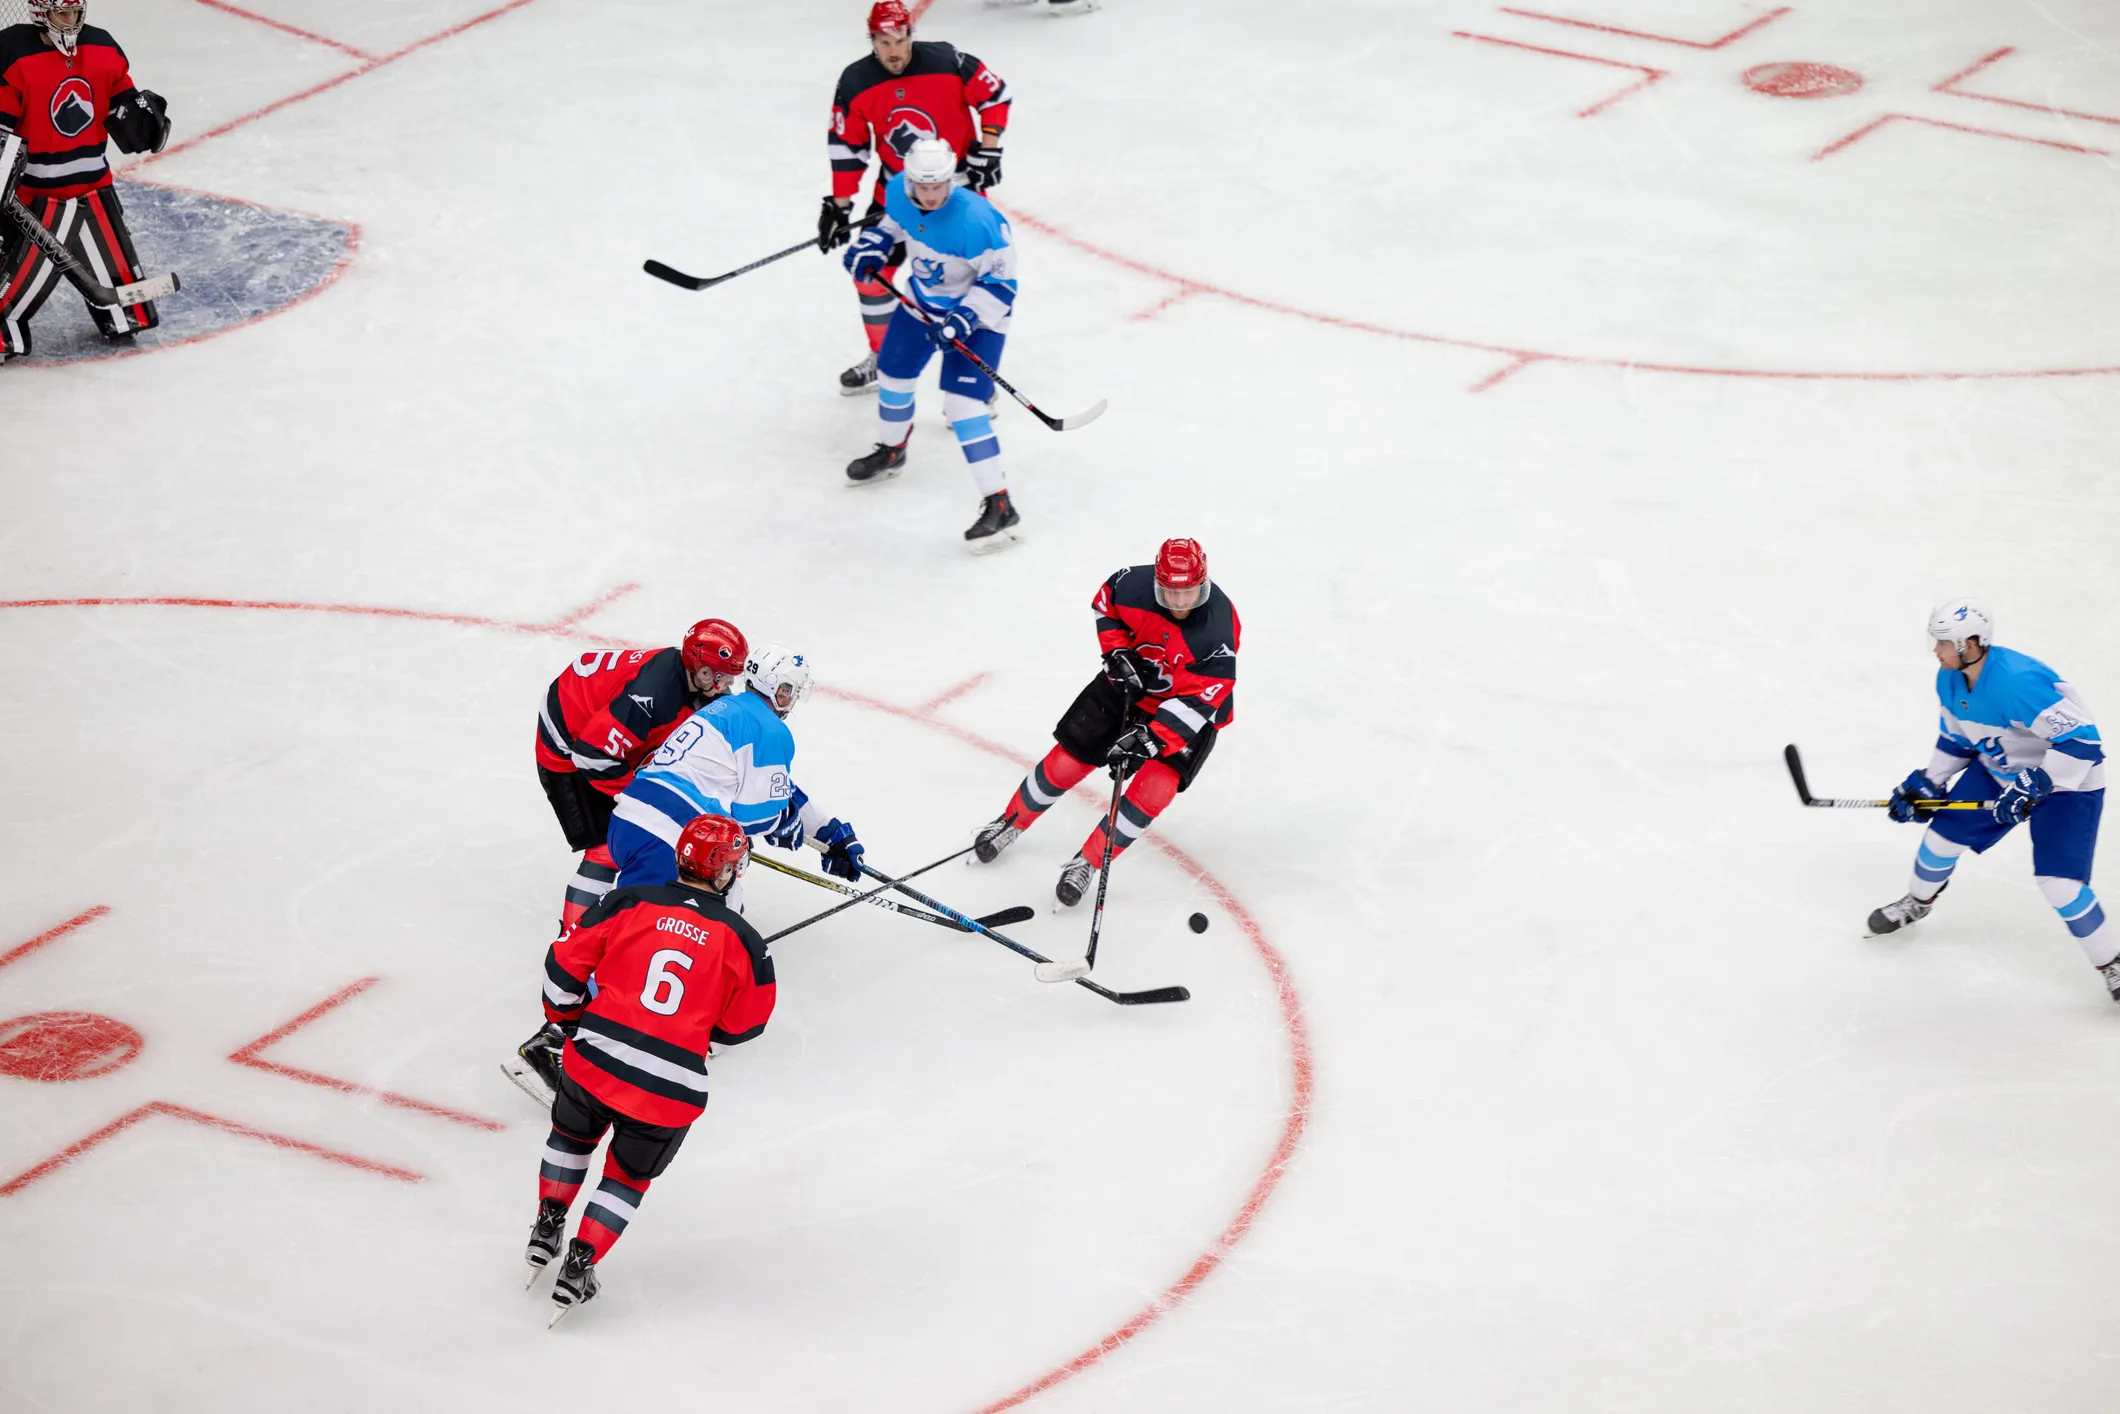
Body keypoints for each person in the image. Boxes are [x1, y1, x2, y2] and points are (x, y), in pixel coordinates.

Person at [522, 813, 775, 1323]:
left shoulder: (626, 901)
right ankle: (580, 1263)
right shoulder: (745, 939)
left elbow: (562, 966)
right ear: (723, 871)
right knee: (627, 1178)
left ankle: (547, 1224)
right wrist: (699, 1035)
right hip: (668, 1089)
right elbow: (744, 1026)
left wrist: (570, 1022)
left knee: (571, 1141)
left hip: (593, 1062)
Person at [1869, 598, 2116, 999]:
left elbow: (2084, 741)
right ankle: (1918, 901)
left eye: (1944, 642)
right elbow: (1957, 739)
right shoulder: (1948, 680)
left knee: (2060, 884)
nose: (1936, 650)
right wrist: (1929, 784)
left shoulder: (2018, 682)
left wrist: (2038, 782)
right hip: (1999, 772)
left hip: (2067, 784)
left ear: (1970, 643)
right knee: (1938, 842)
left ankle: (2112, 963)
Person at [972, 539, 1238, 904]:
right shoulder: (1131, 585)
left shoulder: (1218, 628)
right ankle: (1010, 821)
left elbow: (1205, 695)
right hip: (1128, 687)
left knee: (1156, 788)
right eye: (1171, 593)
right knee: (1069, 759)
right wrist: (1116, 651)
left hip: (1186, 711)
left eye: (1189, 592)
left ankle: (1089, 861)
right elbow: (1105, 603)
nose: (1179, 603)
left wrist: (1152, 739)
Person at [817, 0, 1010, 395]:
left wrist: (988, 148)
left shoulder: (947, 60)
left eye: (900, 40)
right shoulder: (855, 81)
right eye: (884, 42)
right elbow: (847, 146)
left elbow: (995, 95)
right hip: (898, 194)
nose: (893, 51)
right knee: (871, 277)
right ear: (872, 41)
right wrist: (840, 205)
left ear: (911, 35)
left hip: (958, 191)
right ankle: (883, 356)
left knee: (972, 286)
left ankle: (974, 381)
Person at [841, 137, 1021, 546]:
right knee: (892, 374)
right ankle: (891, 450)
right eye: (922, 188)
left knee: (962, 406)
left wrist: (964, 319)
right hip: (922, 303)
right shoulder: (900, 191)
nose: (929, 195)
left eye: (937, 186)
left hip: (979, 317)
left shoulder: (979, 220)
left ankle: (1000, 503)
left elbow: (1002, 284)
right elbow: (892, 223)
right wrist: (873, 248)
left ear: (949, 180)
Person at [605, 643, 866, 897]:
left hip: (625, 822)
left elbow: (776, 788)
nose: (793, 699)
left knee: (724, 898)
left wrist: (827, 830)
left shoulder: (724, 709)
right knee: (678, 920)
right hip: (667, 837)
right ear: (781, 689)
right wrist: (783, 824)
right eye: (793, 691)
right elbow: (753, 817)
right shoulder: (769, 729)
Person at [536, 620, 748, 928]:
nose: (725, 685)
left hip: (603, 738)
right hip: (567, 749)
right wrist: (643, 800)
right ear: (698, 668)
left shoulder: (691, 684)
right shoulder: (650, 694)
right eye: (718, 676)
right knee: (607, 848)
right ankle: (573, 941)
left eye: (730, 676)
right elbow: (590, 757)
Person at [0, 0, 170, 363]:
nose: (71, 22)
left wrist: (142, 118)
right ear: (41, 14)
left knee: (130, 316)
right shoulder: (13, 55)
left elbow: (121, 106)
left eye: (76, 12)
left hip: (94, 193)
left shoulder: (103, 47)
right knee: (5, 316)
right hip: (36, 206)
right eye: (63, 14)